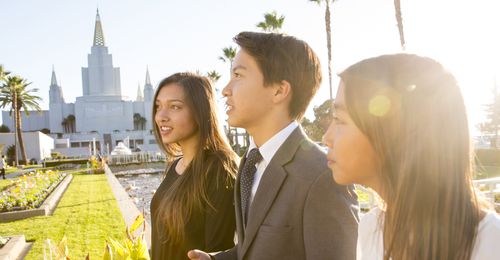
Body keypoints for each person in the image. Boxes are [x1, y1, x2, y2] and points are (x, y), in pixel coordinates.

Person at [188, 32, 359, 260]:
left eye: (238, 75)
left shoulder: (322, 176)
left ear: (279, 90)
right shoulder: (250, 163)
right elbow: (251, 249)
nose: (226, 89)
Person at [322, 53, 500, 260]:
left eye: (339, 119)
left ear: (392, 132)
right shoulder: (371, 228)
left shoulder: (489, 242)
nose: (327, 137)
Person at [150, 72, 239, 260]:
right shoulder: (176, 166)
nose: (161, 117)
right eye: (158, 107)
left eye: (174, 107)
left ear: (200, 111)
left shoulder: (218, 168)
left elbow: (218, 248)